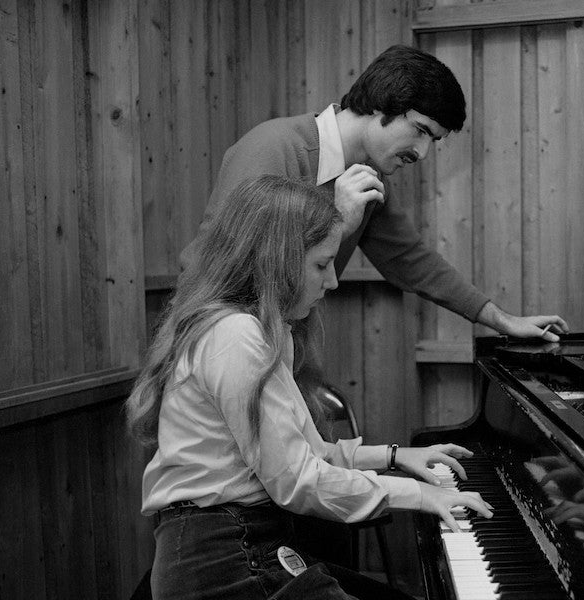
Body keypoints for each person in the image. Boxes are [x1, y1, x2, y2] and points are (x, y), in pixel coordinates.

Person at [127, 175, 493, 600]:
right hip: (222, 559)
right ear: (276, 261)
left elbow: (310, 455)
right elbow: (298, 480)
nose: (332, 281)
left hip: (244, 542)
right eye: (321, 265)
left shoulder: (255, 330)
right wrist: (419, 495)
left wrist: (394, 456)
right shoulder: (235, 336)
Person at [179, 44, 568, 342]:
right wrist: (337, 224)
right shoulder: (272, 148)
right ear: (383, 104)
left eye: (434, 140)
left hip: (281, 352)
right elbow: (225, 274)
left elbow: (411, 261)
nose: (422, 153)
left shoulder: (367, 178)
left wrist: (502, 320)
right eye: (420, 130)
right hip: (217, 353)